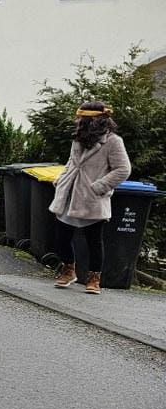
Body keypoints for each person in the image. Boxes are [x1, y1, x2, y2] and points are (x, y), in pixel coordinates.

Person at [49, 100, 131, 295]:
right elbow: (71, 162)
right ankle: (69, 269)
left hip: (91, 196)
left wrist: (99, 187)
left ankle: (94, 278)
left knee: (93, 241)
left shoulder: (113, 141)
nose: (78, 121)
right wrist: (61, 179)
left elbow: (123, 169)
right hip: (69, 193)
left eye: (81, 118)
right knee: (62, 237)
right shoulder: (78, 138)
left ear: (94, 120)